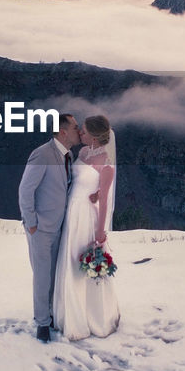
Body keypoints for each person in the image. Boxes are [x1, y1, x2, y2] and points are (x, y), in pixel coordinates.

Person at [53, 115, 120, 341]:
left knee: (83, 263)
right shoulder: (81, 154)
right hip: (72, 212)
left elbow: (104, 203)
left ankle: (91, 318)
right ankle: (69, 314)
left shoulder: (106, 164)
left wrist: (100, 232)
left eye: (83, 130)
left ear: (92, 135)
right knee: (70, 262)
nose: (79, 133)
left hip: (87, 217)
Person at [18, 113, 80, 343]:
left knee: (55, 273)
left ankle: (52, 314)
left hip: (60, 227)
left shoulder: (68, 155)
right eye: (75, 127)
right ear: (63, 132)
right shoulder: (42, 153)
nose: (79, 130)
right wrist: (32, 224)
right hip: (41, 229)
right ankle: (42, 323)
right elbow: (25, 191)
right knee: (42, 276)